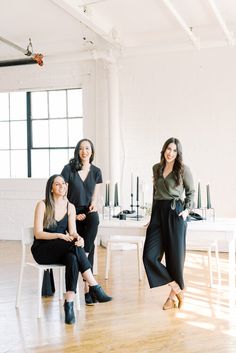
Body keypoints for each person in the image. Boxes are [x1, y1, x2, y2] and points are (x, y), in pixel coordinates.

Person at [31, 174, 112, 325]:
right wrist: (59, 236)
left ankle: (69, 304)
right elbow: (38, 233)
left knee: (73, 257)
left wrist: (78, 237)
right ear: (51, 188)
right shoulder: (42, 205)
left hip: (61, 250)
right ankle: (94, 285)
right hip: (42, 250)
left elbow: (73, 232)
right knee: (71, 246)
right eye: (57, 184)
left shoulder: (70, 207)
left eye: (63, 183)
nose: (61, 186)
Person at [143, 137, 194, 310]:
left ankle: (172, 298)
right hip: (158, 212)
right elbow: (155, 194)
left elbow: (191, 192)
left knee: (175, 259)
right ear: (164, 150)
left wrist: (186, 211)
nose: (170, 153)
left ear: (178, 153)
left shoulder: (183, 170)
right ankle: (177, 288)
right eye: (168, 149)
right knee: (149, 256)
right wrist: (151, 218)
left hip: (175, 212)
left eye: (174, 150)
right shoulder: (156, 168)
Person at [61, 139, 102, 306]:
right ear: (77, 151)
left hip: (86, 211)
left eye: (87, 148)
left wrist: (93, 205)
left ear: (92, 151)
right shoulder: (68, 169)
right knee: (88, 244)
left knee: (94, 218)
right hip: (69, 210)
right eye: (81, 148)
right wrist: (73, 214)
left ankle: (84, 253)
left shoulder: (97, 171)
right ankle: (88, 291)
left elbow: (95, 197)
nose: (84, 151)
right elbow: (62, 195)